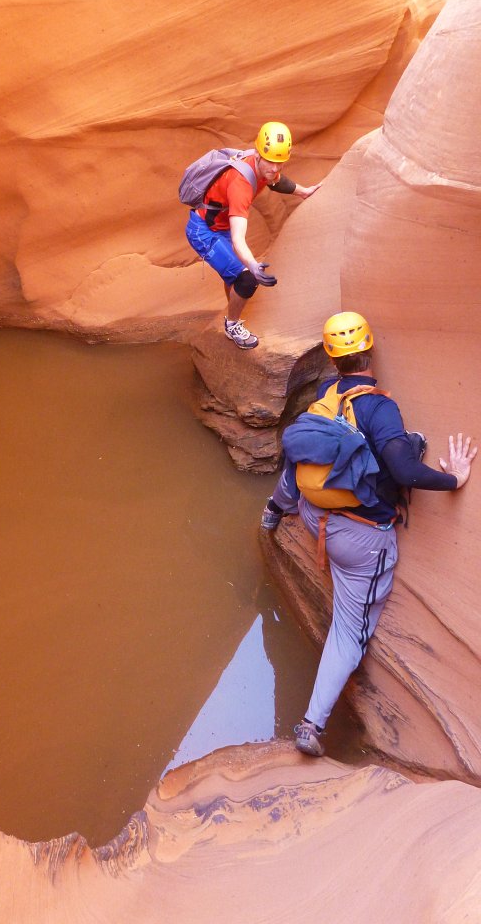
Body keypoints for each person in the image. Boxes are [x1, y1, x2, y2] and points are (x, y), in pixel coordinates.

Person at [260, 311, 476, 756]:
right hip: (360, 539)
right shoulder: (381, 407)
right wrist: (453, 479)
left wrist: (283, 507)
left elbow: (300, 460)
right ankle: (310, 725)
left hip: (310, 512)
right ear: (370, 349)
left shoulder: (325, 394)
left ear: (331, 358)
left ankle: (269, 513)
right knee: (347, 630)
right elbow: (402, 469)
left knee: (300, 458)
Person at [185, 121, 321, 350]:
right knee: (246, 279)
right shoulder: (241, 185)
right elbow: (238, 239)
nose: (275, 169)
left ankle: (232, 309)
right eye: (271, 162)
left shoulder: (264, 168)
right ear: (258, 154)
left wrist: (303, 192)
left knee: (236, 276)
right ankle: (232, 325)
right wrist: (253, 265)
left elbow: (277, 182)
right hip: (204, 232)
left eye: (280, 163)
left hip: (220, 226)